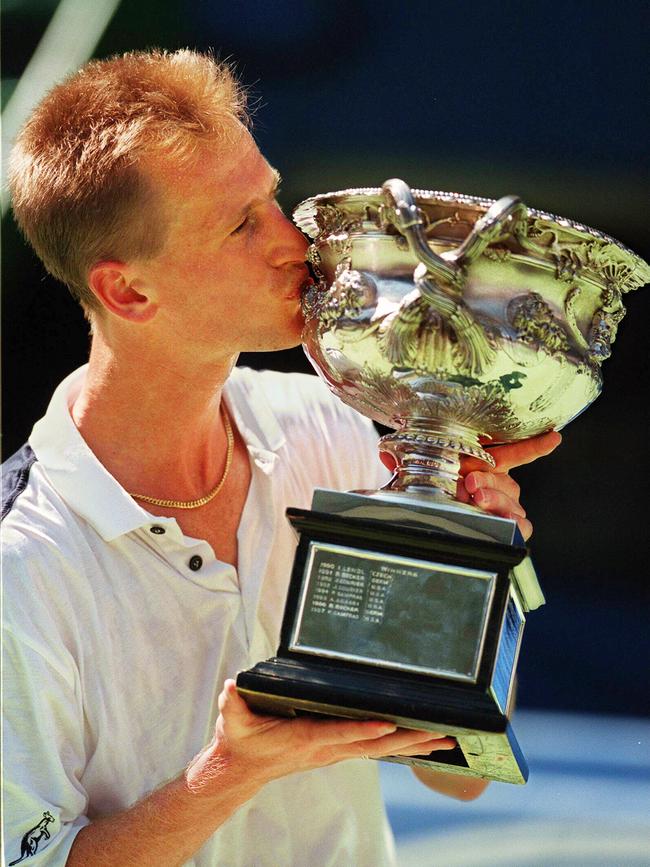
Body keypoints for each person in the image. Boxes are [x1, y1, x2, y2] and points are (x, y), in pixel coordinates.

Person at [2, 49, 561, 866]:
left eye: (270, 195)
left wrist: (471, 565)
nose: (291, 239)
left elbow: (455, 774)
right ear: (128, 292)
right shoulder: (21, 567)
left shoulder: (333, 427)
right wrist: (227, 774)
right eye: (240, 224)